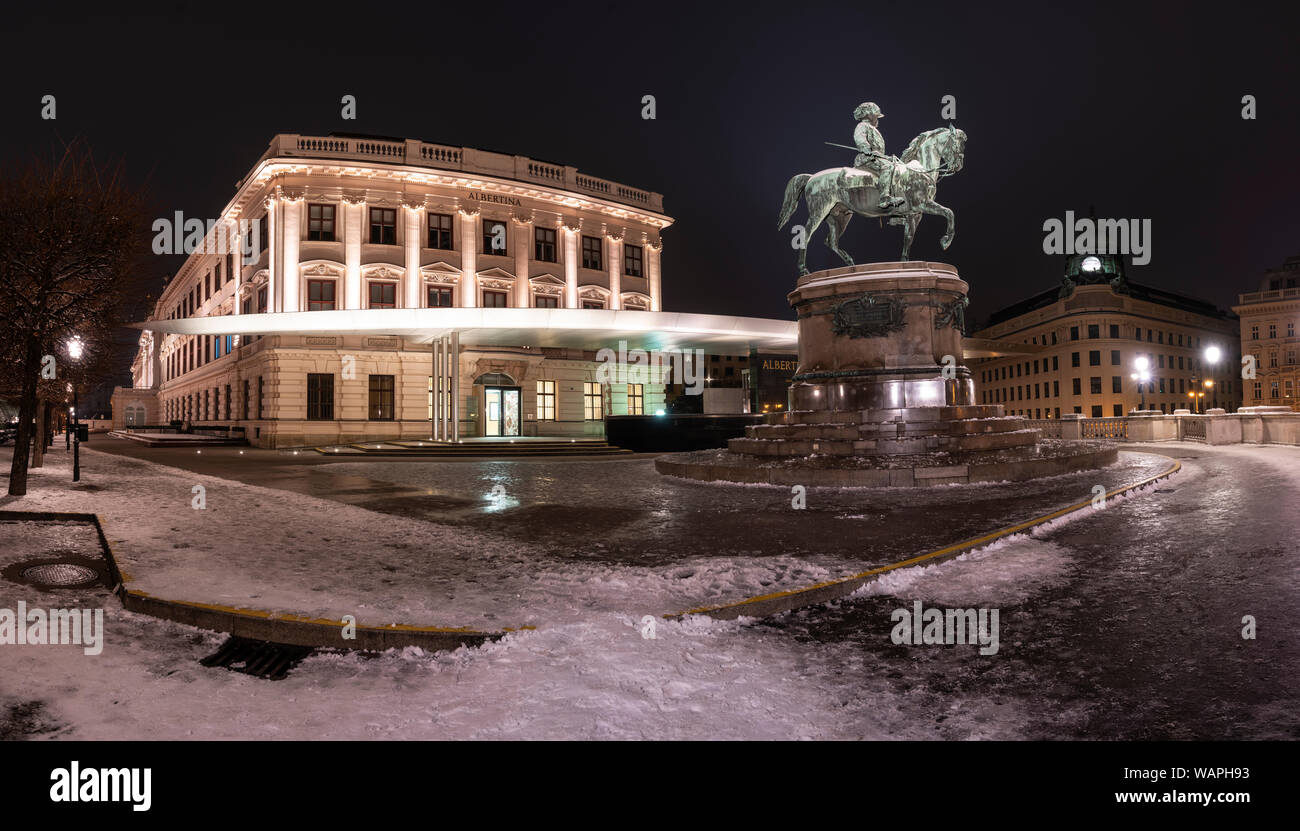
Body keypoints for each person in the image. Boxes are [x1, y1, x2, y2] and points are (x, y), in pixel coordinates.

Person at [851, 102, 905, 212]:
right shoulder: (862, 126)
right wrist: (866, 148)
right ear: (868, 115)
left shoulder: (873, 129)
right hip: (866, 159)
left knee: (896, 167)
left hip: (876, 157)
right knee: (888, 167)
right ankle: (884, 198)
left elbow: (878, 151)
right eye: (876, 115)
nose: (877, 118)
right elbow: (860, 139)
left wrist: (885, 157)